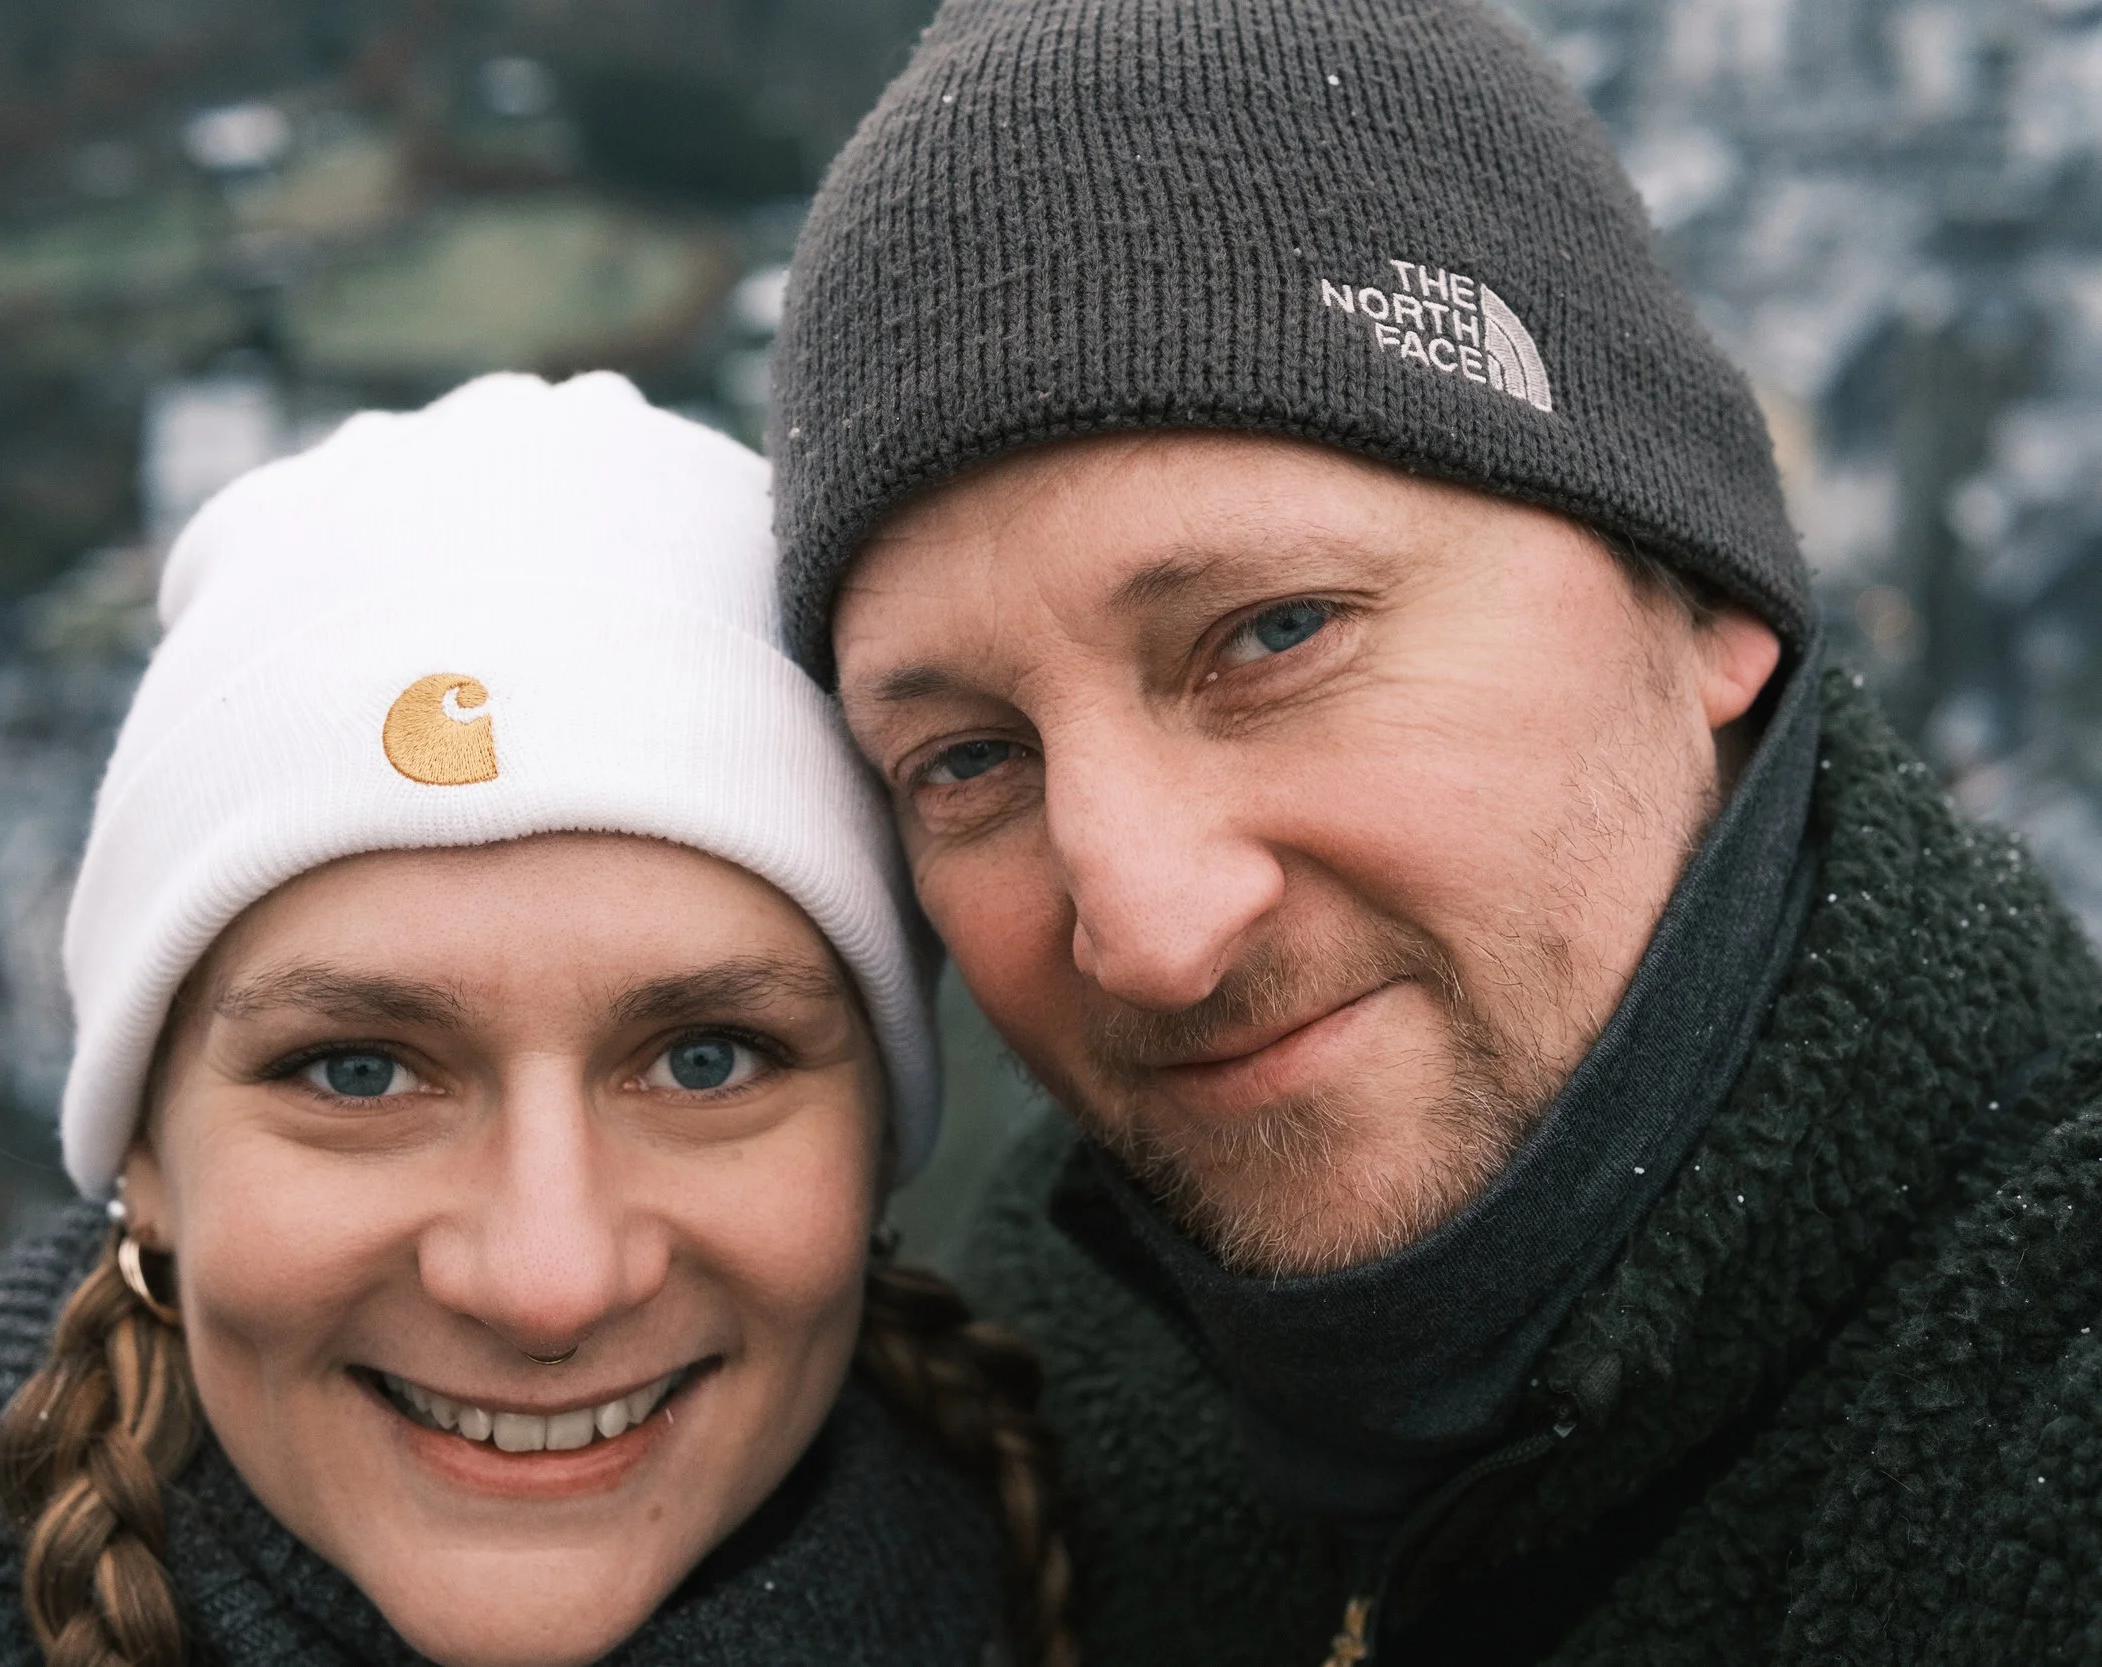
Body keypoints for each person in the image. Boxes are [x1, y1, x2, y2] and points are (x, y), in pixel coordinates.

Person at [764, 0, 2102, 1661]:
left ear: (1707, 602)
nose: (1153, 929)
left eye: (1275, 633)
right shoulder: (1059, 1342)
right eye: (967, 758)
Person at [0, 373, 1072, 1667]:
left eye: (705, 1058)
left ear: (876, 1125)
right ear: (147, 1154)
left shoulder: (1149, 1593)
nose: (546, 1279)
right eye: (358, 1070)